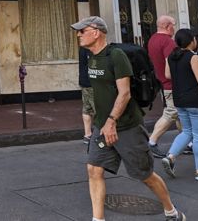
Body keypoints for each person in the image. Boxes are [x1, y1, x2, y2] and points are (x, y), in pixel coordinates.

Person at [72, 16, 186, 221]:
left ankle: (171, 211)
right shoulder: (91, 57)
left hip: (126, 126)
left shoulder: (116, 56)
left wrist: (111, 121)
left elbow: (124, 93)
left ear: (96, 32)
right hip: (102, 125)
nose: (78, 35)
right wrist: (103, 122)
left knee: (145, 175)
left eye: (82, 30)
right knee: (94, 169)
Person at [160, 29, 198, 182]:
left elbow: (168, 75)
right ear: (191, 41)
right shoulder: (194, 58)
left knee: (186, 132)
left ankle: (171, 156)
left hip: (179, 99)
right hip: (196, 100)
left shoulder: (171, 57)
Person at [146, 15, 179, 158]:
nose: (174, 28)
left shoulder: (152, 39)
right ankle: (151, 142)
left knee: (180, 114)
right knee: (171, 112)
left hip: (161, 82)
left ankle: (186, 142)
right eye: (173, 25)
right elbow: (170, 65)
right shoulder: (168, 42)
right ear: (167, 26)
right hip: (170, 84)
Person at [79, 46, 95, 145]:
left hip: (84, 81)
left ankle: (87, 134)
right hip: (92, 82)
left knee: (86, 108)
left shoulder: (82, 48)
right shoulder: (91, 49)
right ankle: (101, 133)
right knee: (97, 109)